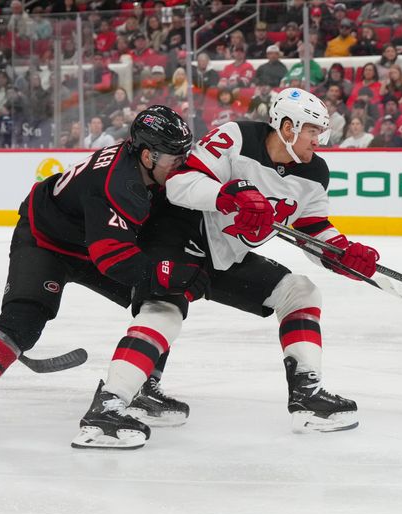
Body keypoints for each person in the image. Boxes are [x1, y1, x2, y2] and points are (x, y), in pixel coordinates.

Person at [72, 88, 380, 449]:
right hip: (179, 234)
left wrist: (341, 252)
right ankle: (108, 406)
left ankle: (307, 398)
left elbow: (312, 228)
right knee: (165, 312)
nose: (319, 139)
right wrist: (229, 195)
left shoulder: (315, 173)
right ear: (286, 126)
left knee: (300, 291)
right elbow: (179, 183)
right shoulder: (236, 137)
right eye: (312, 129)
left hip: (227, 256)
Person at [0, 106, 195, 444]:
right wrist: (168, 273)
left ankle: (144, 385)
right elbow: (114, 259)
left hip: (89, 241)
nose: (181, 164)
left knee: (161, 298)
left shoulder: (146, 171)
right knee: (22, 323)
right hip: (45, 242)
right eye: (174, 157)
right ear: (147, 154)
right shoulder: (117, 184)